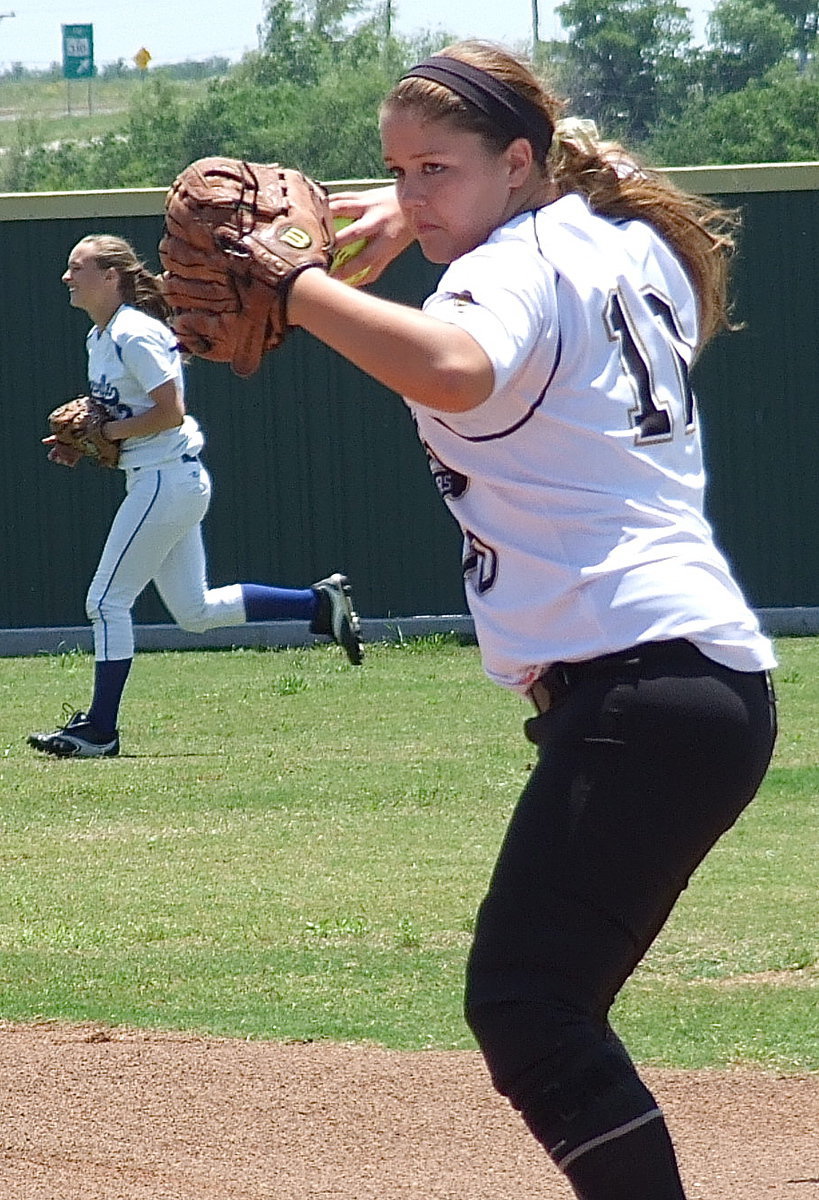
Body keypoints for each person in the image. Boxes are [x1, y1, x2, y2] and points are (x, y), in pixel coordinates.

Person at [282, 40, 778, 1200]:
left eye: (435, 169)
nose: (410, 193)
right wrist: (426, 215)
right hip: (695, 687)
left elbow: (456, 370)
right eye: (397, 170)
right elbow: (531, 229)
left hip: (638, 680)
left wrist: (301, 291)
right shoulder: (617, 235)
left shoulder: (500, 268)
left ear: (517, 163)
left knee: (529, 1005)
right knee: (546, 1003)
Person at [28, 234, 363, 760]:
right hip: (162, 477)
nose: (68, 278)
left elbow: (170, 411)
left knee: (105, 601)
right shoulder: (102, 336)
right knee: (195, 611)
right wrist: (85, 444)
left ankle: (100, 730)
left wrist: (108, 436)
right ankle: (318, 604)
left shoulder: (134, 333)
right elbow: (122, 416)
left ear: (111, 277)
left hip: (165, 478)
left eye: (78, 268)